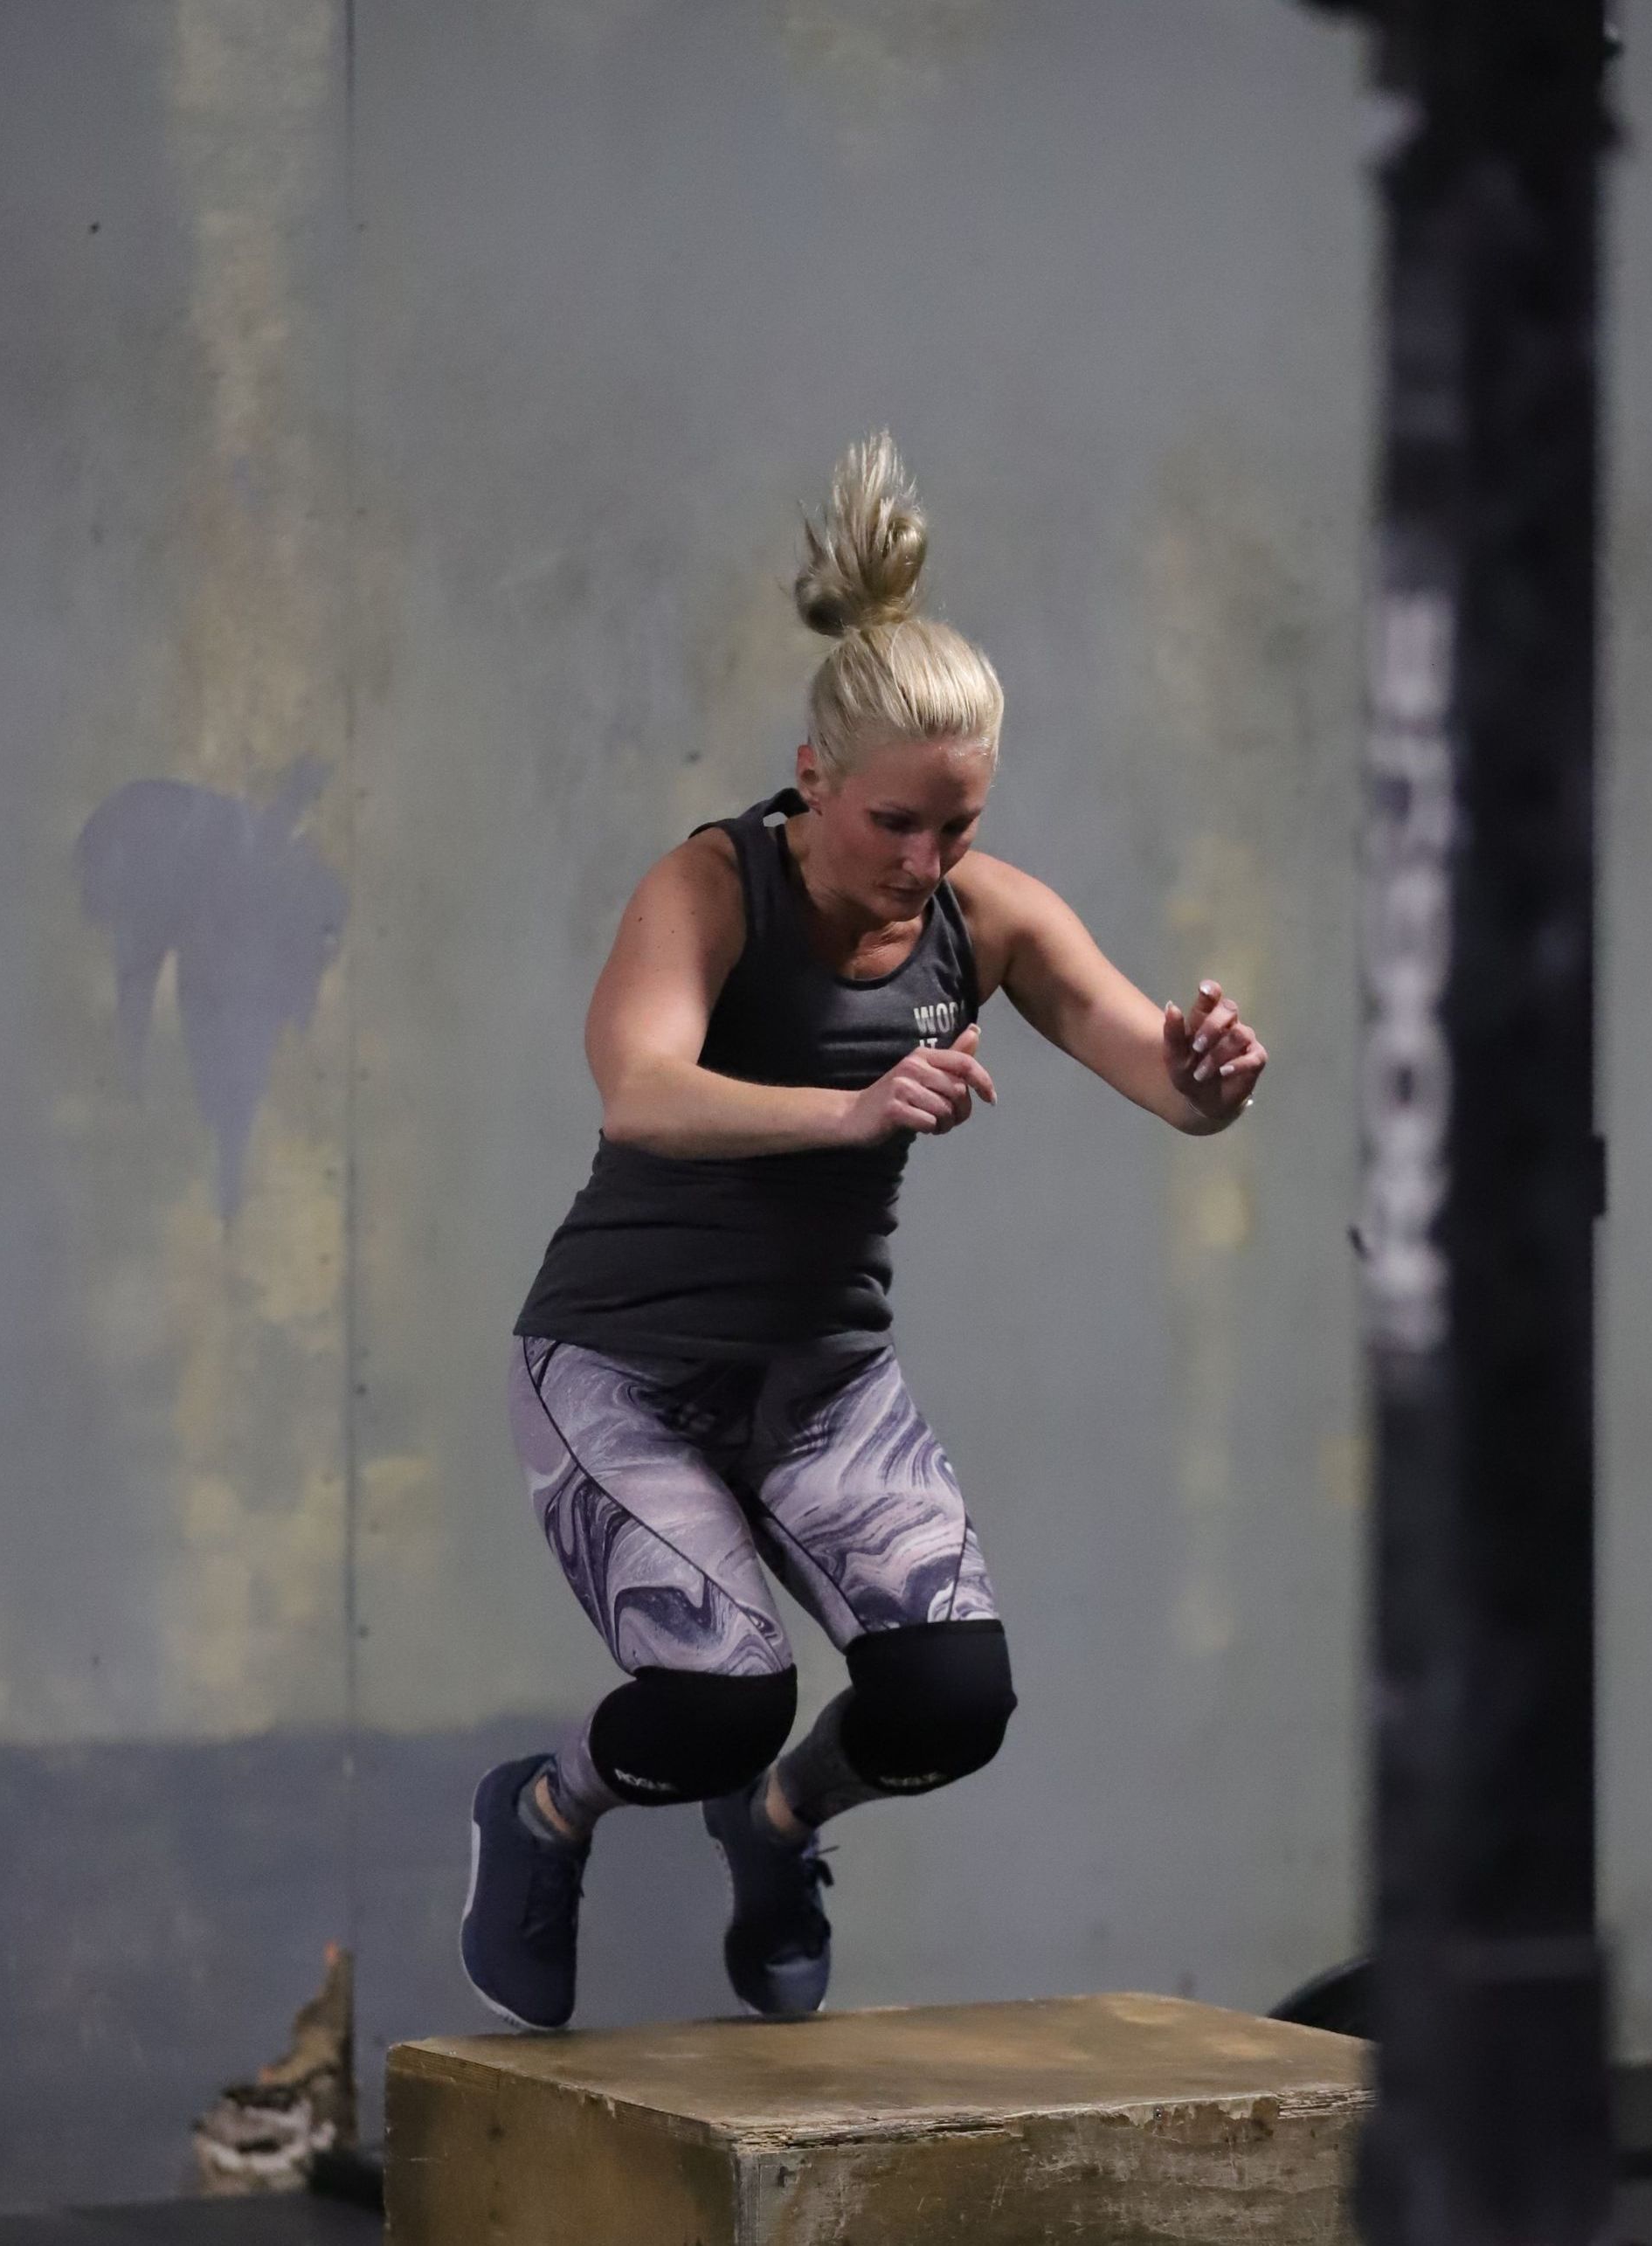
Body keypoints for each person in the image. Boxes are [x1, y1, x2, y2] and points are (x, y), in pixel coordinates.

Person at [460, 433, 1268, 2031]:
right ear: (816, 775)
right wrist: (844, 1112)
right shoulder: (711, 887)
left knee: (952, 1702)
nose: (924, 864)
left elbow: (1160, 1081)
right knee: (720, 1698)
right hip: (621, 1364)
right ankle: (545, 1811)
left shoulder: (989, 917)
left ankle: (775, 1834)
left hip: (820, 1379)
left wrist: (1209, 1076)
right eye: (896, 822)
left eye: (956, 829)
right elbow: (640, 1090)